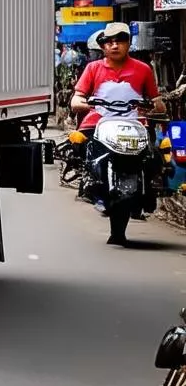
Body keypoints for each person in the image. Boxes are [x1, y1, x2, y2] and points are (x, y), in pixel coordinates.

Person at [70, 21, 165, 245]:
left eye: (120, 41)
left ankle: (148, 192)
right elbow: (77, 98)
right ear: (103, 47)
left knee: (153, 157)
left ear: (128, 43)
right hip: (99, 123)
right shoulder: (93, 68)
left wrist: (155, 107)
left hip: (136, 124)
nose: (115, 46)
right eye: (110, 42)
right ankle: (92, 184)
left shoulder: (143, 69)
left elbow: (157, 102)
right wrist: (84, 104)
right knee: (85, 149)